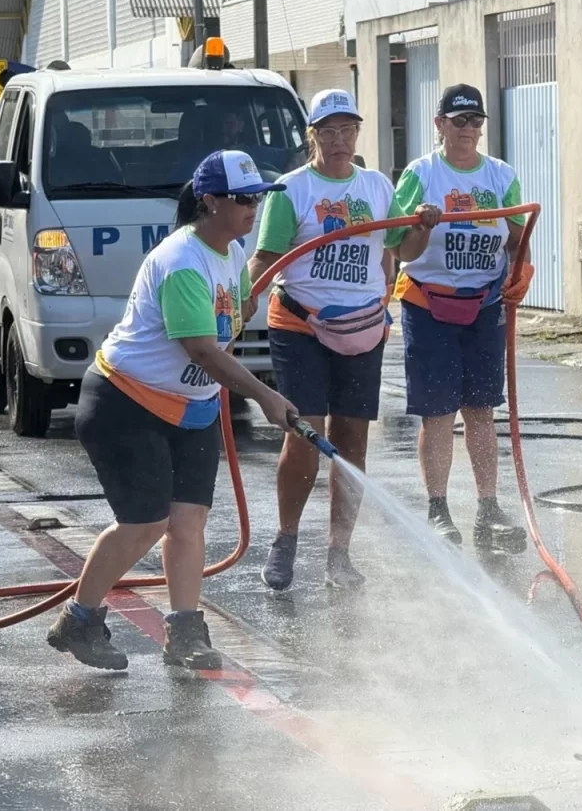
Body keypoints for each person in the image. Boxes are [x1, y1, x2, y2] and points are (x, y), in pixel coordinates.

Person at [46, 150, 297, 671]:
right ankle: (80, 619)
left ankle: (185, 632)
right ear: (209, 202)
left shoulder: (230, 252)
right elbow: (203, 350)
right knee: (145, 523)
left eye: (259, 198)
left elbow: (233, 311)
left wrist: (246, 301)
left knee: (189, 522)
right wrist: (267, 396)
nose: (254, 208)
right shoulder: (183, 260)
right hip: (126, 402)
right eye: (243, 199)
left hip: (192, 408)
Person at [248, 89, 402, 591]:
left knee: (353, 438)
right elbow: (265, 257)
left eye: (348, 130)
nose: (340, 140)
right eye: (329, 131)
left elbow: (404, 248)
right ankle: (286, 539)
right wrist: (239, 301)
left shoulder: (379, 187)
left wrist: (422, 222)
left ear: (358, 133)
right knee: (306, 433)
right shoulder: (290, 190)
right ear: (312, 135)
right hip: (301, 326)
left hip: (362, 328)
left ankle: (340, 553)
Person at [385, 83, 534, 552]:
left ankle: (488, 507)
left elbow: (516, 239)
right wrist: (423, 227)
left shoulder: (500, 175)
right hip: (430, 304)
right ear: (440, 125)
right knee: (437, 411)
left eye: (475, 121)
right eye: (458, 121)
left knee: (480, 410)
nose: (467, 129)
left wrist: (522, 271)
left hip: (484, 304)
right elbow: (399, 248)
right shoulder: (421, 174)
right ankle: (438, 508)